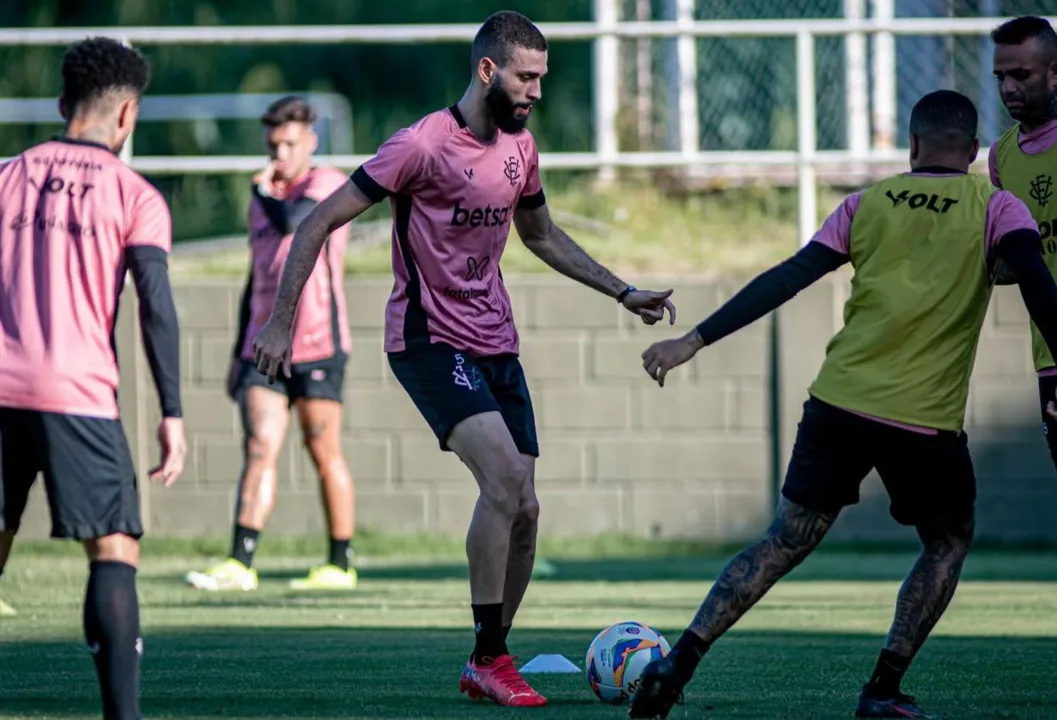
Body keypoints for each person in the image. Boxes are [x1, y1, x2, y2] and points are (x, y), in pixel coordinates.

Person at [252, 10, 676, 708]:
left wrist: (620, 290)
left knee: (527, 509)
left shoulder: (521, 147)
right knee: (505, 480)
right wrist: (278, 321)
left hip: (495, 342)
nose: (537, 90)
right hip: (426, 340)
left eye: (543, 77)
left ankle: (490, 657)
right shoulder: (419, 145)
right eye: (526, 76)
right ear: (488, 71)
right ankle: (487, 655)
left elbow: (540, 235)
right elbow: (318, 221)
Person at [627, 89, 1057, 719]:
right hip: (921, 420)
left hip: (838, 405)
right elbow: (1041, 292)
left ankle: (677, 662)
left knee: (783, 540)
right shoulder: (997, 207)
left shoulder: (867, 203)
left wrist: (694, 339)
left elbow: (787, 277)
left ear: (911, 147)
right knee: (947, 541)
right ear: (973, 152)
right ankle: (882, 690)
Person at [0, 37, 187, 720]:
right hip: (77, 396)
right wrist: (172, 411)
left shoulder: (5, 175)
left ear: (61, 104)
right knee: (112, 547)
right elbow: (156, 306)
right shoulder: (135, 195)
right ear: (128, 114)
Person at [184, 96, 358, 593]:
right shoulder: (262, 200)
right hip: (264, 347)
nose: (279, 153)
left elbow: (295, 221)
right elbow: (255, 276)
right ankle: (241, 559)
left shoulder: (326, 183)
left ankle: (339, 562)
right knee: (260, 445)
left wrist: (263, 192)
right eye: (272, 144)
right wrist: (239, 349)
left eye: (289, 143)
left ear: (311, 141)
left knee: (323, 448)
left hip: (320, 342)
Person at [989, 15, 1057, 468]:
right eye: (1000, 77)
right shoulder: (1001, 158)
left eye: (1021, 75)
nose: (1009, 87)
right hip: (1050, 357)